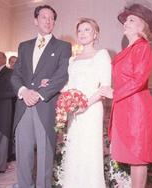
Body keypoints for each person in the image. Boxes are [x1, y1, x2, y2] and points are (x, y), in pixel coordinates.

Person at [11, 4, 71, 188]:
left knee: (45, 156)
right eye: (44, 17)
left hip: (45, 107)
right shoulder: (24, 46)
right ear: (35, 20)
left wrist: (38, 93)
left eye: (52, 18)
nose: (48, 21)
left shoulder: (63, 46)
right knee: (23, 155)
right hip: (23, 107)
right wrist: (23, 91)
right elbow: (16, 74)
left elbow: (62, 75)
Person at [99, 3, 152, 188]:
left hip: (137, 109)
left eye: (131, 19)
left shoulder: (143, 47)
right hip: (125, 107)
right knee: (130, 156)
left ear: (143, 26)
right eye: (126, 20)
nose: (126, 22)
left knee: (138, 157)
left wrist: (114, 92)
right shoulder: (127, 50)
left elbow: (139, 79)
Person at [61, 18, 111, 188]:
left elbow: (104, 88)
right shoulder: (72, 60)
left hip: (91, 109)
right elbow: (69, 85)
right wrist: (64, 99)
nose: (82, 33)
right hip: (74, 111)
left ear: (95, 34)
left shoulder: (102, 54)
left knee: (89, 151)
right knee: (74, 150)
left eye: (87, 30)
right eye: (80, 30)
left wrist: (84, 104)